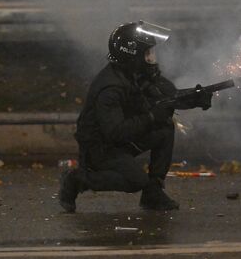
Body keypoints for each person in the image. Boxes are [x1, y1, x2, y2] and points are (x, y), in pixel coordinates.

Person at [59, 21, 214, 212]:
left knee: (164, 128)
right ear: (133, 56)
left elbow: (166, 96)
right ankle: (78, 179)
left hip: (121, 139)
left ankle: (153, 194)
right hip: (100, 147)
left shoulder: (135, 73)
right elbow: (114, 132)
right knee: (135, 180)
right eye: (148, 53)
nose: (152, 58)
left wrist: (193, 99)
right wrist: (150, 117)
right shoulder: (111, 88)